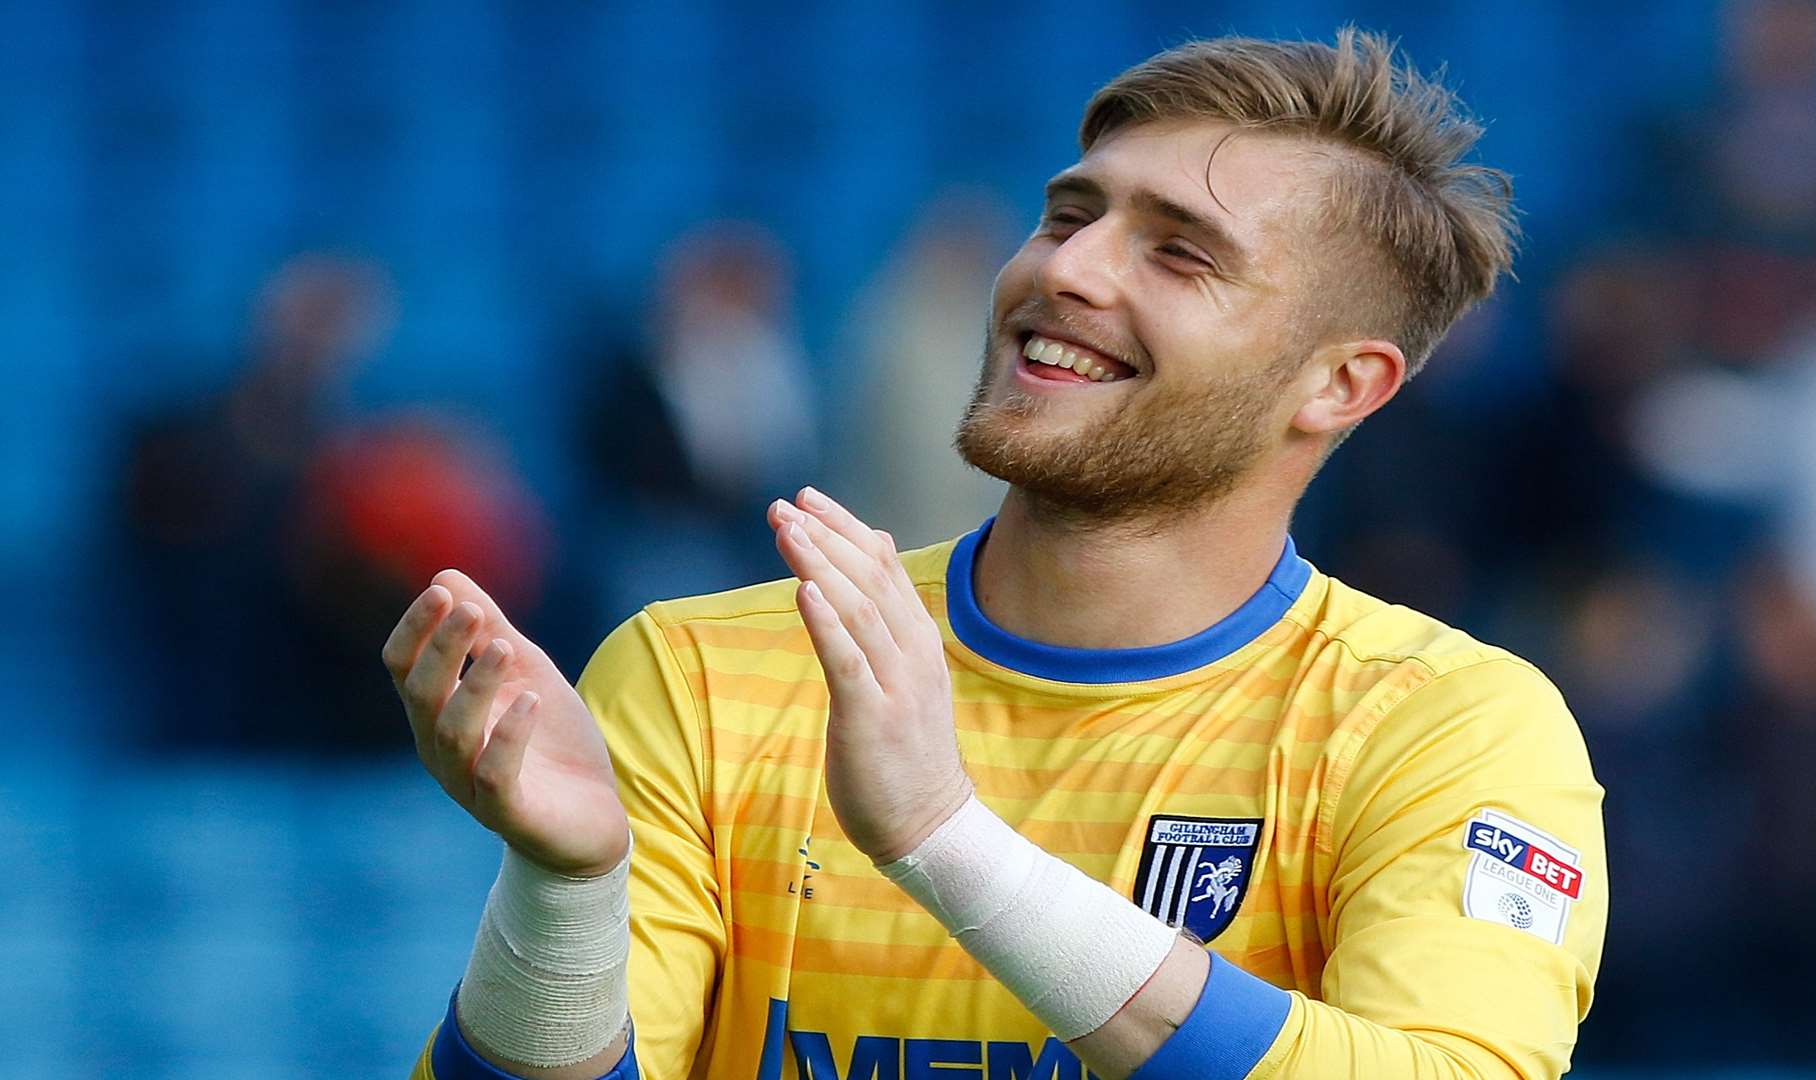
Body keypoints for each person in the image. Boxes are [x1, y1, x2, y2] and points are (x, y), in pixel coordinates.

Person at [388, 31, 1607, 1080]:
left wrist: (944, 838)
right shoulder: (704, 673)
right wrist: (564, 896)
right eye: (1071, 215)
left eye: (1178, 252)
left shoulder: (1445, 727)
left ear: (1341, 384)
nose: (1064, 269)